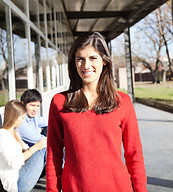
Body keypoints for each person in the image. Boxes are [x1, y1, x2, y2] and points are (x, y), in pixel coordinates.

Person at [46, 31, 148, 192]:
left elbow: (134, 154)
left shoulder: (122, 102)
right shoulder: (59, 102)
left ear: (105, 61)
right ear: (74, 62)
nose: (86, 65)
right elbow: (53, 154)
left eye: (93, 58)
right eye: (80, 59)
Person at [0, 100, 47, 192]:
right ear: (14, 118)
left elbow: (26, 149)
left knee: (46, 146)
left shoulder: (15, 132)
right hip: (16, 184)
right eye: (22, 118)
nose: (23, 121)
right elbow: (13, 162)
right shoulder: (3, 136)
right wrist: (36, 147)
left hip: (22, 173)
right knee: (43, 148)